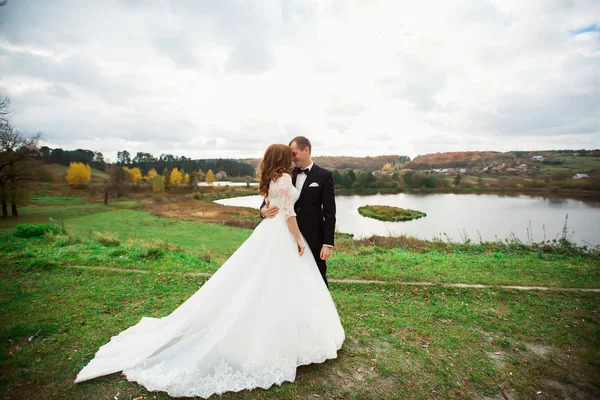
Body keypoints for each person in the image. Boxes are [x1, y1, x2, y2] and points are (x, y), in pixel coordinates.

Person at [74, 144, 345, 399]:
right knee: (275, 284)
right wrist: (297, 238)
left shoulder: (276, 178)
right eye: (290, 155)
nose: (293, 158)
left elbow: (290, 206)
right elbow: (287, 214)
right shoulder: (284, 178)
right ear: (284, 158)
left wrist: (277, 218)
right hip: (281, 234)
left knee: (266, 284)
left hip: (269, 235)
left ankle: (286, 329)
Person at [261, 136, 336, 287]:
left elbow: (329, 212)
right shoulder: (285, 174)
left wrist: (327, 243)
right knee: (288, 276)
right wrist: (263, 211)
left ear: (306, 150)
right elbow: (268, 202)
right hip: (286, 235)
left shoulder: (324, 176)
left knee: (318, 275)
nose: (292, 158)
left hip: (313, 236)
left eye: (294, 154)